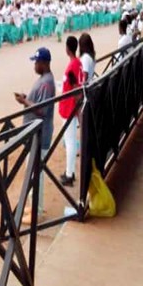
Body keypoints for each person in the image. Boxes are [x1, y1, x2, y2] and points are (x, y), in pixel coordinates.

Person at [15, 47, 55, 215]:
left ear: (44, 63)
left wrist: (25, 102)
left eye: (36, 62)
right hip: (36, 135)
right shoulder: (44, 79)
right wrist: (27, 98)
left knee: (35, 172)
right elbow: (38, 102)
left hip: (40, 135)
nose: (34, 65)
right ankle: (34, 205)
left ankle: (36, 210)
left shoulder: (46, 82)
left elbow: (42, 109)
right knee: (33, 171)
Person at [58, 36, 84, 186]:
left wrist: (78, 111)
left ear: (68, 49)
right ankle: (70, 171)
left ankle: (69, 174)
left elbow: (75, 90)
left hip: (69, 108)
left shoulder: (72, 67)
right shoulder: (78, 63)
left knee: (70, 141)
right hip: (70, 107)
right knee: (71, 140)